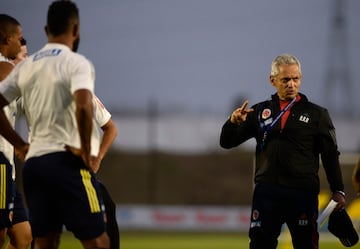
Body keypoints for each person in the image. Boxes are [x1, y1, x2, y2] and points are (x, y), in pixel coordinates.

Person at [0, 1, 110, 249]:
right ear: (76, 30)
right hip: (67, 162)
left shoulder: (27, 65)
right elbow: (83, 104)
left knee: (44, 242)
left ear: (46, 29)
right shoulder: (76, 63)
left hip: (35, 166)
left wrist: (19, 144)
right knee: (98, 241)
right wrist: (84, 149)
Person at [220, 53, 346, 249]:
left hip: (302, 194)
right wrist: (232, 123)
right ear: (273, 80)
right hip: (266, 194)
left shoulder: (317, 115)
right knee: (260, 245)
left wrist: (338, 189)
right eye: (285, 79)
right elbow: (226, 143)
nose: (291, 84)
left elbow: (330, 155)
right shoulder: (259, 112)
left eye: (295, 79)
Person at [0, 14, 32, 249]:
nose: (22, 50)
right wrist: (20, 143)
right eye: (19, 40)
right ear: (7, 39)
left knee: (23, 237)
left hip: (8, 167)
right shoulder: (4, 68)